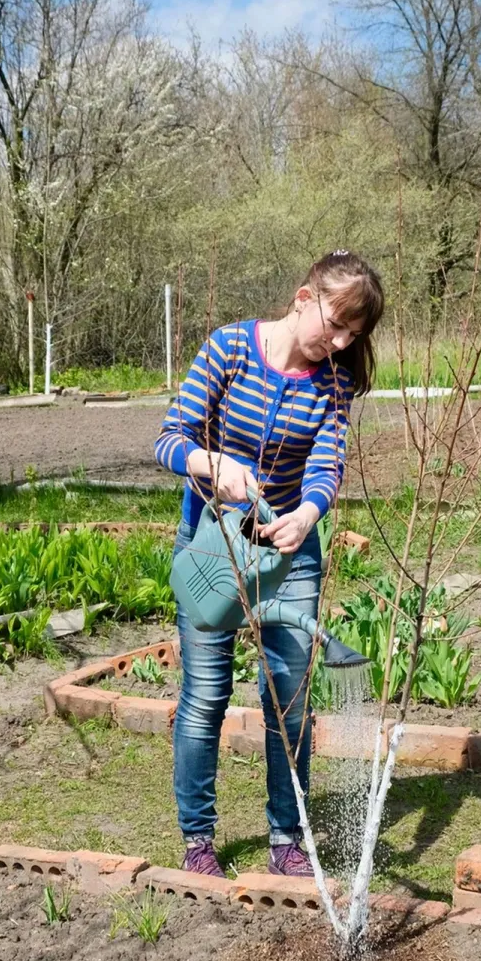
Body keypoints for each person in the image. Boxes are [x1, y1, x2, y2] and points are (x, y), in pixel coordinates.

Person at [154, 251, 385, 879]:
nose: (339, 343)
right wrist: (214, 465)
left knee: (289, 698)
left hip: (289, 550)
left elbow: (326, 463)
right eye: (335, 325)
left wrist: (309, 513)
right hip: (216, 546)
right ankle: (198, 839)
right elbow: (170, 437)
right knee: (205, 697)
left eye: (352, 335)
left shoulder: (333, 382)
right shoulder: (229, 349)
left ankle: (288, 836)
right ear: (303, 297)